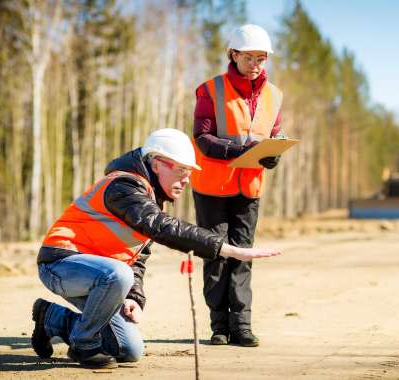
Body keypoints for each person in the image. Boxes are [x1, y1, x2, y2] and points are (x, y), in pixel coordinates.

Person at [31, 128, 280, 369]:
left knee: (129, 349)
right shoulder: (123, 186)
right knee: (118, 275)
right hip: (61, 263)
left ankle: (52, 318)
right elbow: (161, 227)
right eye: (181, 170)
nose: (186, 179)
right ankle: (84, 344)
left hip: (101, 278)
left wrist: (133, 297)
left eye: (189, 173)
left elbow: (137, 257)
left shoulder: (149, 198)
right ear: (158, 164)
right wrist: (227, 249)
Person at [191, 24, 283, 347]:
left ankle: (241, 326)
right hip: (212, 186)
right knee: (216, 255)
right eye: (249, 57)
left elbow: (273, 137)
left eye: (262, 58)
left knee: (242, 255)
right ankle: (219, 327)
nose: (256, 64)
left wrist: (272, 157)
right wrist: (238, 151)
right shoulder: (210, 90)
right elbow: (202, 139)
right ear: (233, 54)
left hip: (250, 188)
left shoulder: (274, 95)